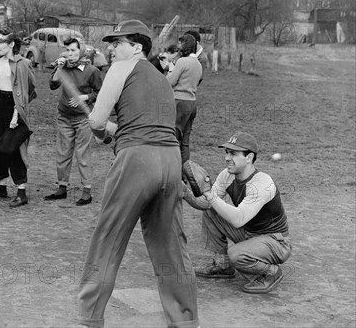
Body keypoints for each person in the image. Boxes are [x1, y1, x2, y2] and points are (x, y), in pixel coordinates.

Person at [78, 20, 199, 328]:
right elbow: (147, 125)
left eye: (118, 43)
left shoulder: (120, 69)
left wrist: (103, 130)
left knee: (107, 239)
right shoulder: (162, 79)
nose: (111, 48)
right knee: (171, 247)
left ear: (137, 47)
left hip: (136, 161)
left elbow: (96, 122)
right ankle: (184, 321)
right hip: (170, 160)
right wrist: (114, 132)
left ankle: (89, 319)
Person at [186, 132, 292, 294]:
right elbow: (205, 204)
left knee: (236, 254)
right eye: (227, 152)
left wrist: (209, 194)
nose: (227, 158)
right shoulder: (226, 175)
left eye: (233, 153)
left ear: (249, 158)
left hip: (276, 243)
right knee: (211, 210)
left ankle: (270, 272)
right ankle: (222, 266)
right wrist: (183, 190)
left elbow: (238, 219)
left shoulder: (261, 183)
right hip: (249, 233)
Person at [0, 27, 36, 208]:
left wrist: (17, 113)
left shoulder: (23, 64)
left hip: (14, 108)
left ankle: (21, 191)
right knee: (0, 146)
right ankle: (1, 187)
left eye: (1, 42)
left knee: (14, 147)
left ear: (11, 44)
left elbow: (29, 90)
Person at [44, 37, 102, 206]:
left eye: (74, 51)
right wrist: (58, 68)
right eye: (68, 50)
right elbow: (52, 85)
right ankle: (62, 187)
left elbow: (100, 92)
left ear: (81, 51)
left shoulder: (91, 70)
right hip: (64, 117)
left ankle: (87, 191)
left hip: (83, 118)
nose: (70, 54)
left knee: (82, 154)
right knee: (63, 153)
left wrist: (85, 97)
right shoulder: (64, 67)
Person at [165, 34, 202, 164]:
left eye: (180, 43)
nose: (178, 46)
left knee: (173, 138)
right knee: (185, 142)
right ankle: (184, 172)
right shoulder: (198, 64)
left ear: (185, 46)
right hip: (192, 103)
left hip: (179, 101)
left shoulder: (182, 62)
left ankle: (172, 170)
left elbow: (170, 82)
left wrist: (170, 67)